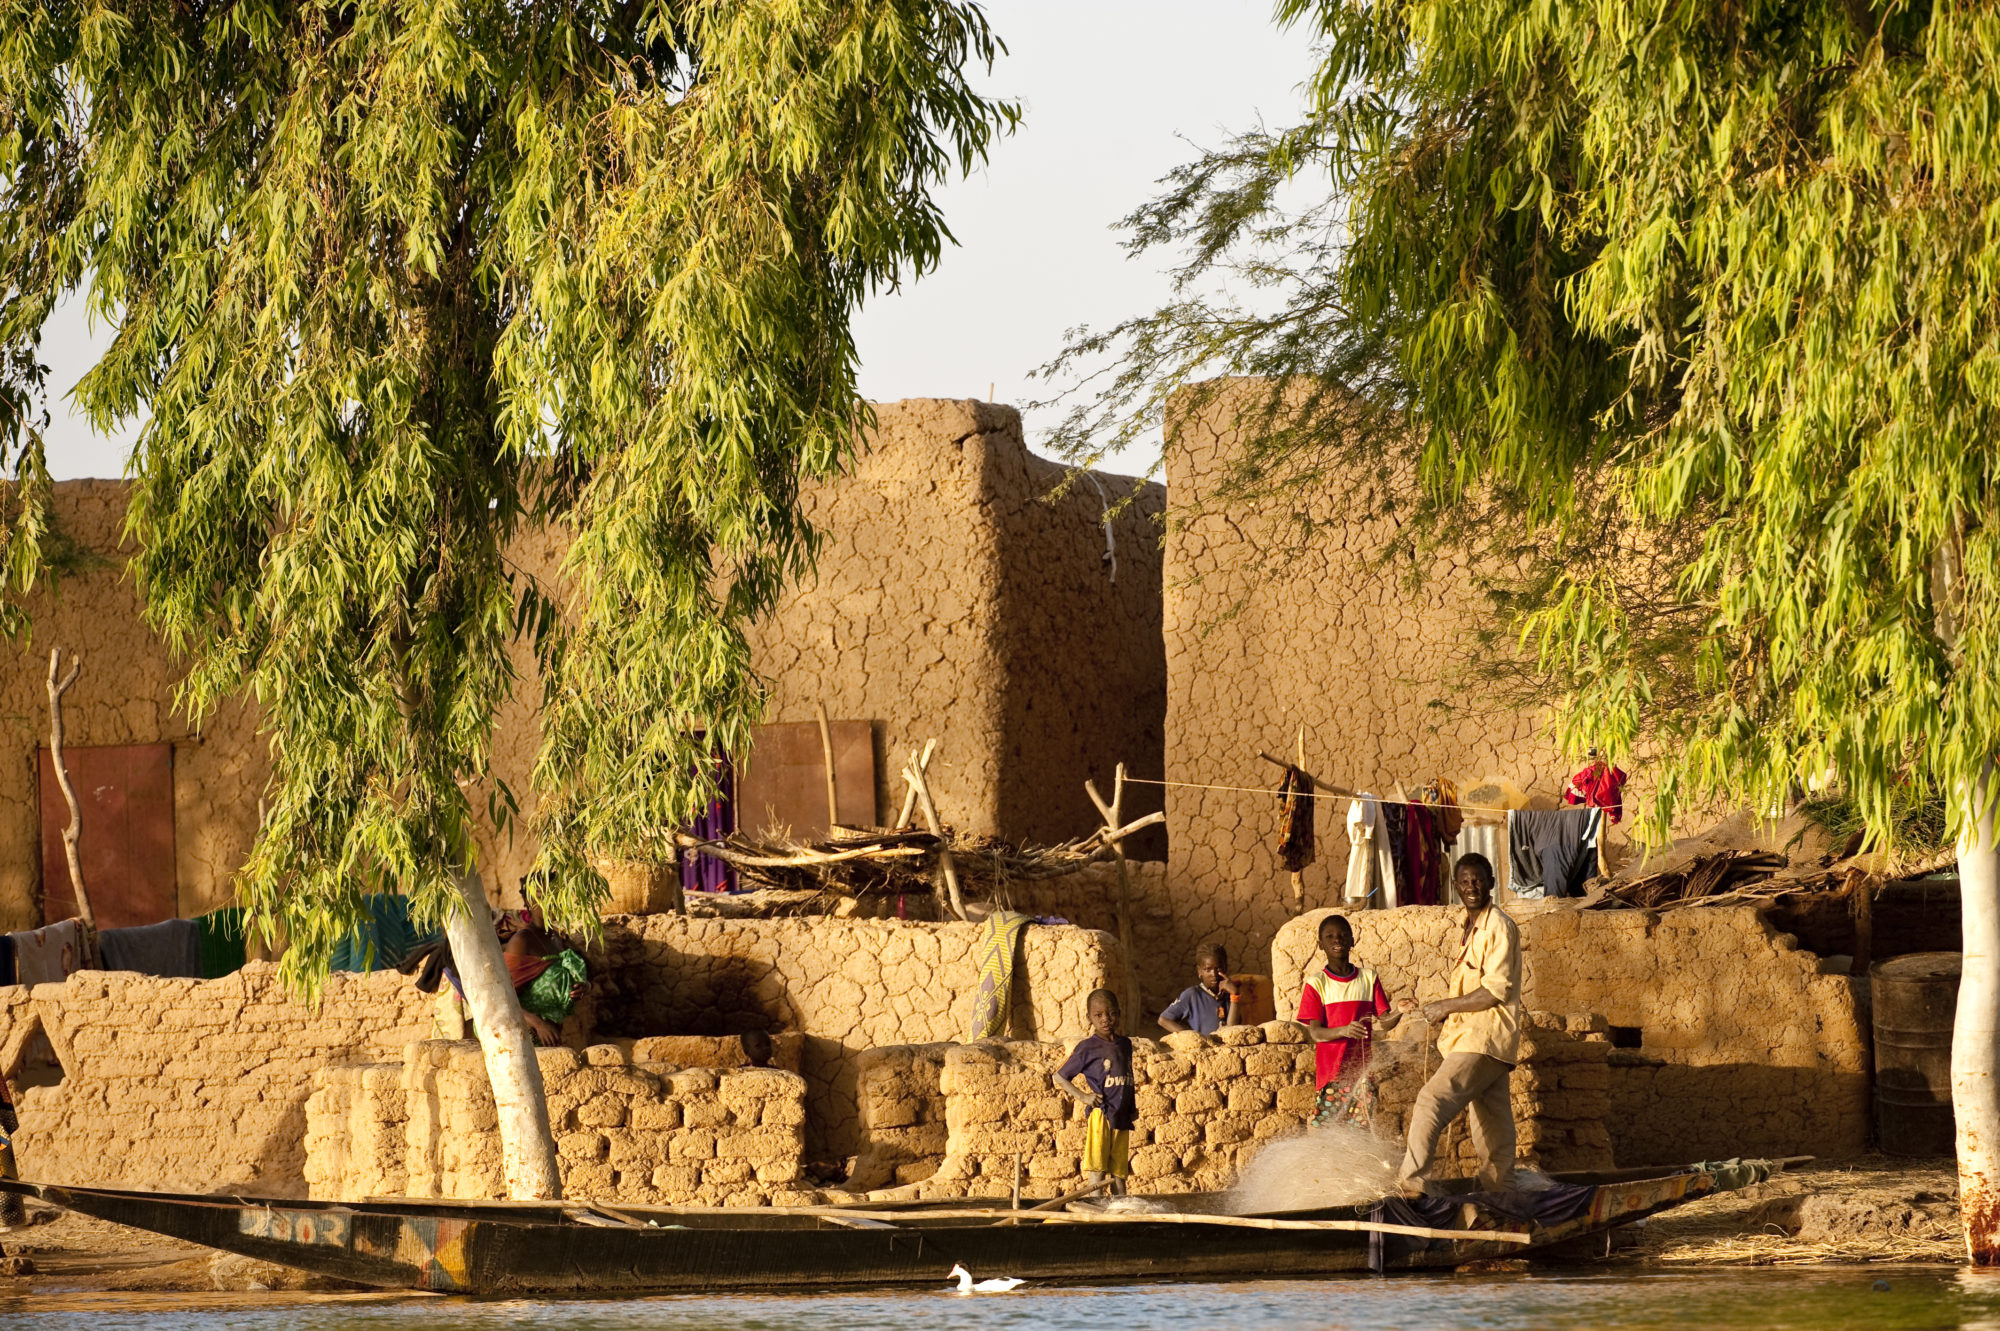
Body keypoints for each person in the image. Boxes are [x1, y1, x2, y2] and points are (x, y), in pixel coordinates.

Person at [1396, 852, 1522, 1195]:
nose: (1472, 887)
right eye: (1465, 881)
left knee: (1431, 1100)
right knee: (1493, 1129)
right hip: (1488, 1043)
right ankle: (1503, 1198)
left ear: (1491, 883)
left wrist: (1445, 1007)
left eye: (1478, 880)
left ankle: (1411, 1186)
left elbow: (1495, 991)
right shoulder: (1471, 928)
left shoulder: (1498, 926)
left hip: (1481, 1040)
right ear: (1455, 886)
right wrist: (1440, 1010)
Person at [1297, 913, 1399, 1128]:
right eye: (1330, 936)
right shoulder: (1317, 983)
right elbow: (1316, 1033)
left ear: (1353, 940)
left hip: (1362, 1073)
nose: (1337, 940)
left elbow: (1386, 1021)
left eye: (1343, 935)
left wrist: (1401, 1010)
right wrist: (1344, 1030)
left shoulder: (1368, 978)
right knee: (1327, 1130)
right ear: (1320, 944)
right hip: (1332, 1074)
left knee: (1359, 1131)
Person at [1051, 989, 1136, 1197]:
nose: (1105, 1019)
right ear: (1089, 1018)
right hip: (1102, 1115)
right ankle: (1095, 1214)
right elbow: (1059, 1077)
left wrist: (1132, 1107)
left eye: (1111, 1013)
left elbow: (1129, 1076)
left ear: (1118, 1013)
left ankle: (1120, 1214)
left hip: (1121, 1117)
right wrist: (1084, 1097)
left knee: (1119, 1173)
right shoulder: (1087, 1048)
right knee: (1098, 1171)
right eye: (1098, 1015)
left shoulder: (1125, 1044)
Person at [497, 907, 589, 1047]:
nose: (551, 903)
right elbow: (500, 998)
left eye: (556, 897)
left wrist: (583, 987)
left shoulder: (555, 938)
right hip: (518, 1040)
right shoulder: (522, 941)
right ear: (528, 899)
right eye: (543, 896)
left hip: (551, 1036)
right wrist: (538, 1024)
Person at [1159, 942, 1241, 1035]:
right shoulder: (1192, 995)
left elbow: (1231, 1031)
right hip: (1202, 1048)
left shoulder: (1229, 996)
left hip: (1224, 1049)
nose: (1213, 974)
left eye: (1218, 969)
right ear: (1199, 971)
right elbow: (1163, 1020)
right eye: (1208, 969)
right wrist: (1192, 1036)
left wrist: (1234, 995)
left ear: (1225, 968)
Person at [1563, 747, 1629, 824]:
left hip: (1606, 773)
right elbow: (1590, 751)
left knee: (1609, 790)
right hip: (1600, 771)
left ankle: (1611, 812)